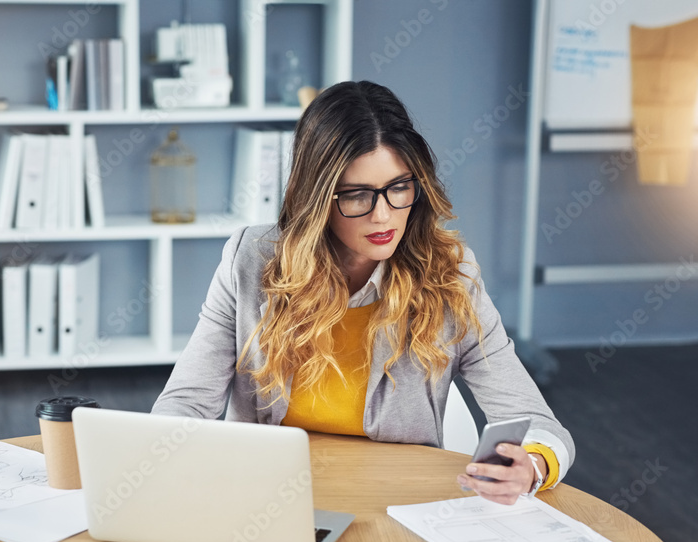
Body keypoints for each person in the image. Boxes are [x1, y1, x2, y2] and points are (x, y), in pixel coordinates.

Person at [151, 80, 574, 505]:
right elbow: (187, 402)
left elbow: (538, 423)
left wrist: (532, 465)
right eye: (356, 196)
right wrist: (157, 460)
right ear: (314, 198)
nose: (384, 215)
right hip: (266, 501)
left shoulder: (450, 275)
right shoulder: (251, 260)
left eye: (399, 187)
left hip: (397, 504)